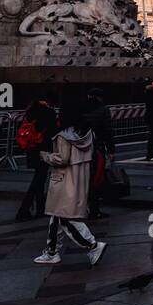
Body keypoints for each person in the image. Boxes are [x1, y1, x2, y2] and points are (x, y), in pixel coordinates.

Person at [33, 106, 107, 266]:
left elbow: (62, 159)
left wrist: (44, 155)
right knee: (57, 215)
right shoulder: (87, 134)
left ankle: (92, 245)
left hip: (64, 180)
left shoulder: (63, 136)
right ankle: (52, 251)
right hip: (80, 179)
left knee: (65, 218)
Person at [16, 94, 58, 221]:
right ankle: (24, 209)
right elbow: (54, 129)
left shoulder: (30, 111)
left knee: (39, 176)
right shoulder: (49, 112)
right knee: (40, 177)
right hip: (43, 148)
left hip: (31, 148)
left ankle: (40, 208)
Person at [83, 88, 114, 219]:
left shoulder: (81, 109)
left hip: (81, 148)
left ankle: (83, 207)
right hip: (96, 147)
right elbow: (107, 131)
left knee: (82, 179)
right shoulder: (103, 110)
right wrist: (111, 149)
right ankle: (95, 209)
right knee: (96, 179)